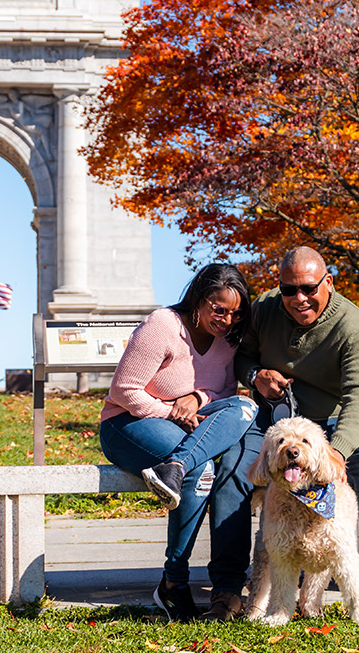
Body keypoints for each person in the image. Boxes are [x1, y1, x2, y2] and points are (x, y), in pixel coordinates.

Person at [206, 246, 359, 620]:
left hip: (332, 424)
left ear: (328, 283)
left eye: (308, 288)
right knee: (233, 472)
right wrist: (255, 376)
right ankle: (226, 590)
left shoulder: (354, 325)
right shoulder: (265, 309)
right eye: (289, 290)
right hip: (273, 425)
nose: (298, 299)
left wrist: (339, 449)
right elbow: (240, 358)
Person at [98, 263, 259, 622]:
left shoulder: (228, 342)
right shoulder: (163, 326)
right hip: (128, 423)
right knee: (202, 468)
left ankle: (176, 465)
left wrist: (198, 398)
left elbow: (224, 393)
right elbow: (123, 392)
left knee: (245, 406)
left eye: (235, 313)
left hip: (189, 427)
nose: (227, 319)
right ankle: (174, 582)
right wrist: (172, 411)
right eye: (219, 309)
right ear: (199, 300)